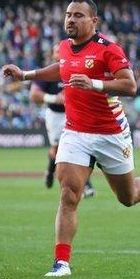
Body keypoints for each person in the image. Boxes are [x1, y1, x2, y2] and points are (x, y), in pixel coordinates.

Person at [2, 0, 140, 277]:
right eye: (68, 14)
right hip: (75, 131)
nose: (70, 19)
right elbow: (61, 68)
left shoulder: (109, 49)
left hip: (110, 133)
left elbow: (130, 86)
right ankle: (61, 263)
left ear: (93, 21)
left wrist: (95, 83)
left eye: (78, 15)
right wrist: (26, 74)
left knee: (128, 197)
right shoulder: (64, 47)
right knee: (69, 194)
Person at [29, 44, 95, 198]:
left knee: (80, 146)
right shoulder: (48, 72)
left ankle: (86, 183)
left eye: (62, 51)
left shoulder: (75, 70)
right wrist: (54, 98)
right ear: (52, 55)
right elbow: (34, 95)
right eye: (56, 51)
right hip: (55, 116)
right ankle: (50, 170)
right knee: (57, 150)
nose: (59, 54)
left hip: (73, 114)